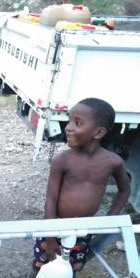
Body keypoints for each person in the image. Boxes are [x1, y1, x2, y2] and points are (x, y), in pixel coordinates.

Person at [32, 98, 131, 276]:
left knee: (70, 270)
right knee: (41, 268)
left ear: (99, 132)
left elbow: (124, 189)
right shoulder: (62, 160)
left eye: (77, 123)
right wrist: (49, 236)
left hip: (84, 229)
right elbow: (51, 198)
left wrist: (110, 219)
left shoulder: (113, 162)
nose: (68, 127)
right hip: (54, 225)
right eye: (69, 121)